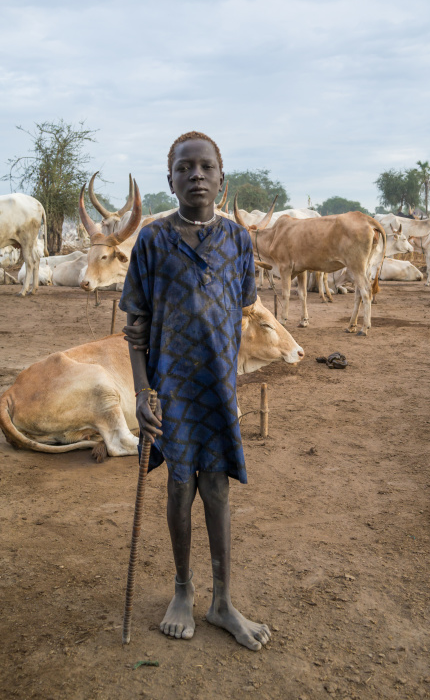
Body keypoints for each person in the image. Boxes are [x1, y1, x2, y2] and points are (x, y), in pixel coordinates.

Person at [119, 131, 271, 651]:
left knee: (218, 487)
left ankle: (223, 600)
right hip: (171, 391)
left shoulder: (238, 241)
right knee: (180, 485)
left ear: (221, 178)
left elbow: (241, 307)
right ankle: (183, 590)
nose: (197, 176)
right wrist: (142, 391)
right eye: (185, 168)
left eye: (206, 167)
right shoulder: (152, 242)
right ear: (171, 180)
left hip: (218, 387)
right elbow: (136, 328)